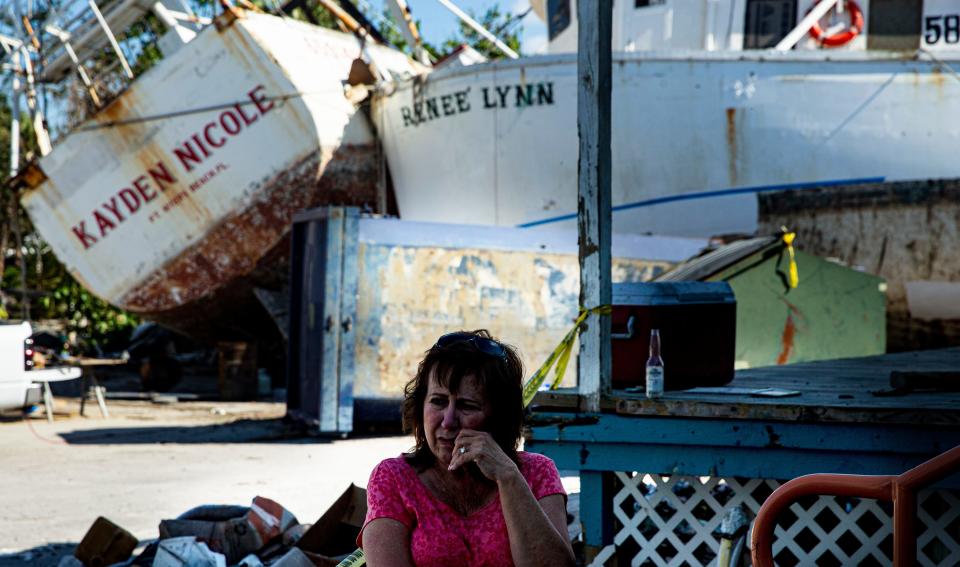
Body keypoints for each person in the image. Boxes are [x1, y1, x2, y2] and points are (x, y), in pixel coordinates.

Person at [358, 330, 576, 567]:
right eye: (438, 402)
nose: (448, 421)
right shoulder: (394, 478)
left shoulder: (536, 472)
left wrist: (508, 477)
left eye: (467, 406)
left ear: (498, 418)